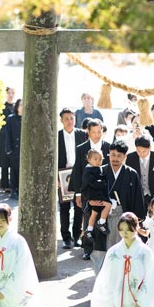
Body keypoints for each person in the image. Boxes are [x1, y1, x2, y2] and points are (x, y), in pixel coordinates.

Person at [89, 141, 146, 270]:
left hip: (123, 214)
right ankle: (103, 276)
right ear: (108, 155)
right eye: (113, 155)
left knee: (123, 247)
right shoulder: (100, 171)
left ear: (125, 157)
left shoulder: (131, 174)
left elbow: (137, 199)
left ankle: (122, 274)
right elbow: (90, 194)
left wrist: (138, 221)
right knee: (103, 250)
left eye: (119, 156)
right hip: (103, 216)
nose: (115, 158)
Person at [70, 118, 110, 258]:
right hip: (88, 190)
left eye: (99, 132)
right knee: (88, 219)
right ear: (89, 132)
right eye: (94, 132)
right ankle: (87, 249)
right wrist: (78, 193)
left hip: (104, 190)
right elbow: (78, 171)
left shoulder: (108, 147)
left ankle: (103, 248)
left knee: (103, 219)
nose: (97, 135)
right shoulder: (81, 148)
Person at [58, 108, 87, 249]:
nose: (69, 121)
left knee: (79, 207)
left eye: (71, 118)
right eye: (66, 119)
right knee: (64, 208)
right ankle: (66, 238)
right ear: (61, 120)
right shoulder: (57, 136)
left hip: (78, 175)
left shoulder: (82, 134)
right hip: (62, 175)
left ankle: (77, 236)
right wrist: (55, 179)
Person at [126, 135, 154, 208]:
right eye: (138, 151)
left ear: (149, 148)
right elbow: (127, 179)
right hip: (137, 196)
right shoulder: (130, 158)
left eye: (144, 151)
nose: (141, 154)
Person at [81, 148, 113, 239]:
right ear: (89, 160)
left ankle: (89, 229)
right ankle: (101, 222)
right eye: (95, 159)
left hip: (96, 195)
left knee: (94, 213)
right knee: (108, 205)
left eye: (100, 159)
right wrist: (102, 183)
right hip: (93, 196)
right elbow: (93, 183)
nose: (98, 161)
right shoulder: (88, 171)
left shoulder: (97, 169)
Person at [0, 87, 16, 193]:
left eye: (12, 93)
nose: (11, 95)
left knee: (13, 162)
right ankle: (4, 184)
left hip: (13, 137)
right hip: (4, 136)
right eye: (9, 93)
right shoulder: (2, 107)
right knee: (4, 162)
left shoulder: (15, 107)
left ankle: (13, 184)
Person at [5, 98, 23, 199]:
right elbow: (7, 134)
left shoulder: (27, 118)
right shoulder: (11, 118)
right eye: (20, 105)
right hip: (14, 149)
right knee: (14, 171)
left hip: (24, 149)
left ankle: (21, 189)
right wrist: (8, 149)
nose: (22, 107)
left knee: (22, 170)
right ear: (17, 106)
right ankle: (13, 190)